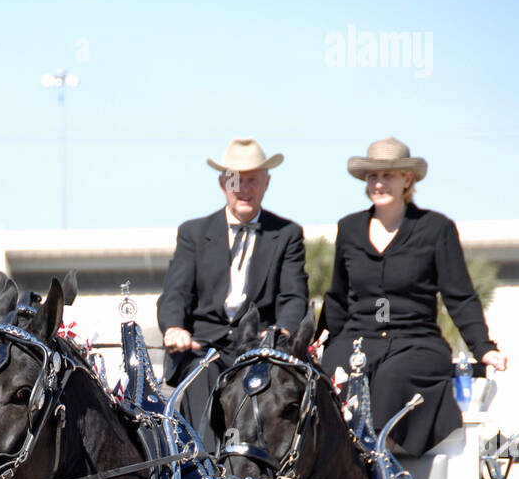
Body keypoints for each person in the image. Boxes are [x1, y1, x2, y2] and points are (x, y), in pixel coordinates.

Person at [318, 137, 507, 457]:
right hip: (357, 339)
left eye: (387, 175)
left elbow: (459, 296)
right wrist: (320, 339)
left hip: (416, 342)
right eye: (372, 176)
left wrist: (484, 347)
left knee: (393, 375)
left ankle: (379, 467)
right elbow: (337, 297)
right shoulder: (348, 229)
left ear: (407, 179)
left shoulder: (436, 229)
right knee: (332, 369)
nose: (378, 183)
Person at [157, 137, 309, 450]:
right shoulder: (194, 233)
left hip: (258, 346)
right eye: (235, 180)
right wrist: (174, 328)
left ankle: (258, 469)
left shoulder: (287, 234)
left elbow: (293, 297)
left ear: (266, 183)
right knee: (205, 374)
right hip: (203, 346)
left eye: (252, 180)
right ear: (222, 183)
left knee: (266, 390)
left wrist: (283, 332)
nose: (243, 188)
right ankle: (210, 469)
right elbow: (176, 293)